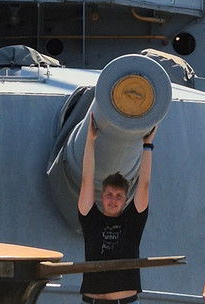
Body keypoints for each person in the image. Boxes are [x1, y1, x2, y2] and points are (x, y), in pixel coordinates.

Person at [77, 117, 156, 303]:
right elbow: (86, 180)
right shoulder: (91, 219)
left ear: (125, 200)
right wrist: (90, 140)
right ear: (102, 196)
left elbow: (143, 185)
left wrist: (147, 146)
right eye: (109, 195)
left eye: (118, 196)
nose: (113, 200)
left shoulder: (132, 222)